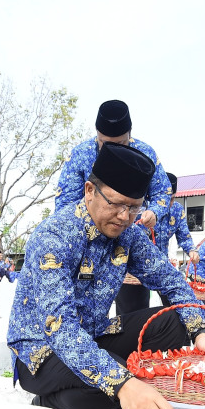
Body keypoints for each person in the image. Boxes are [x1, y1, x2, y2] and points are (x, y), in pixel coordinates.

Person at [7, 143, 205, 409]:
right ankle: (49, 400)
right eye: (116, 204)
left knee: (176, 320)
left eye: (134, 207)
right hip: (42, 352)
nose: (123, 216)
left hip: (93, 335)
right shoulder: (54, 236)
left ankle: (123, 381)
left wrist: (200, 333)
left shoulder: (129, 234)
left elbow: (171, 280)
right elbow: (61, 327)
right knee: (109, 382)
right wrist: (123, 383)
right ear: (90, 191)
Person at [55, 100, 174, 316]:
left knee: (131, 310)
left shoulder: (145, 153)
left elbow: (163, 192)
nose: (111, 150)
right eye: (104, 143)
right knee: (80, 310)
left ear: (130, 134)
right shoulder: (80, 154)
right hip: (86, 245)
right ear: (97, 134)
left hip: (127, 240)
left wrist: (153, 211)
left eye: (120, 143)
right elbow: (65, 204)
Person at [155, 172, 200, 306]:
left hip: (162, 265)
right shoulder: (142, 207)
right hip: (136, 266)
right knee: (133, 307)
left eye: (173, 198)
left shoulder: (177, 210)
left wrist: (192, 251)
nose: (170, 203)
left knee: (174, 302)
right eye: (166, 198)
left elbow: (184, 237)